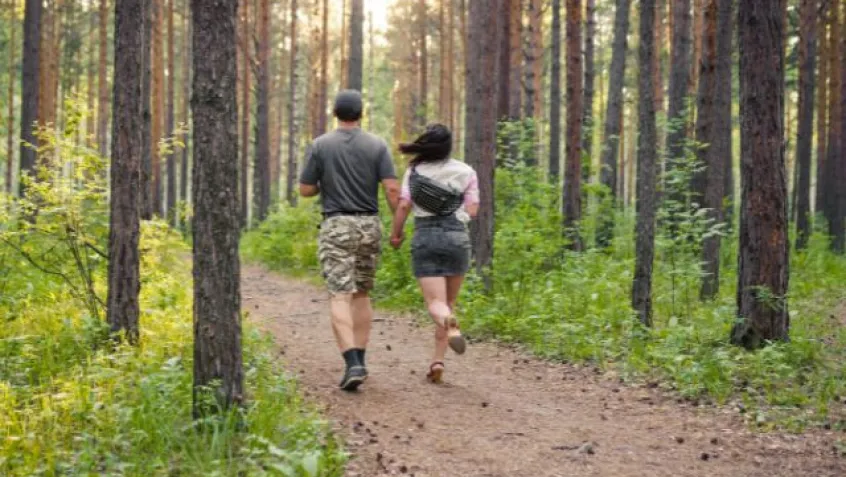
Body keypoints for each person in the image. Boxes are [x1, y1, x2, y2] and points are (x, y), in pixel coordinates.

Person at [299, 90, 400, 392]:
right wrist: (397, 227)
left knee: (340, 294)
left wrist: (324, 185)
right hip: (370, 223)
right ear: (361, 114)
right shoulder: (378, 145)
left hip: (337, 223)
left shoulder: (319, 145)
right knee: (362, 293)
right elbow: (392, 190)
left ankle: (352, 361)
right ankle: (362, 358)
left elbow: (305, 189)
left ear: (335, 113)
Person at [389, 124, 479, 384]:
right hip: (457, 237)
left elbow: (404, 205)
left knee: (435, 305)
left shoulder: (414, 171)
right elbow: (472, 209)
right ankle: (437, 361)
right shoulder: (466, 171)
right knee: (448, 304)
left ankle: (448, 326)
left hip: (426, 237)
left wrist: (396, 235)